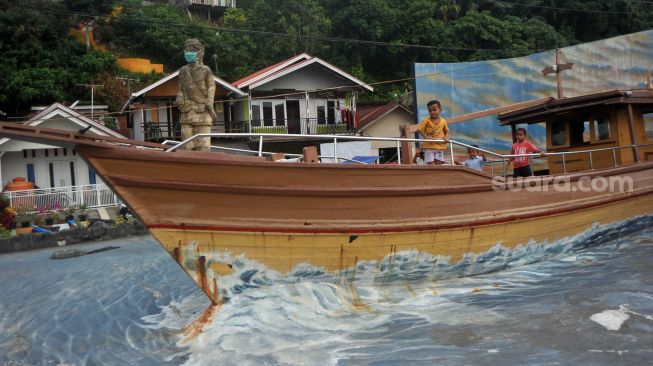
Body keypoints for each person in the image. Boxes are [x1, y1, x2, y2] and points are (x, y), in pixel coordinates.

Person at [175, 38, 216, 151]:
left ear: (200, 53)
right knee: (186, 144)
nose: (188, 53)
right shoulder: (182, 70)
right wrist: (179, 97)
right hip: (187, 111)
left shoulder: (206, 70)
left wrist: (209, 100)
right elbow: (181, 89)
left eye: (191, 50)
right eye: (186, 50)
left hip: (203, 110)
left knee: (203, 145)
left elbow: (212, 86)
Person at [417, 100, 449, 165]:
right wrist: (426, 137)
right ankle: (434, 173)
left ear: (440, 110)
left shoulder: (443, 121)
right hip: (429, 146)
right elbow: (419, 130)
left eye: (434, 110)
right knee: (430, 163)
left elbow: (446, 131)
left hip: (439, 146)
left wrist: (446, 137)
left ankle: (438, 174)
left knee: (439, 162)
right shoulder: (426, 121)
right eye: (430, 111)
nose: (432, 112)